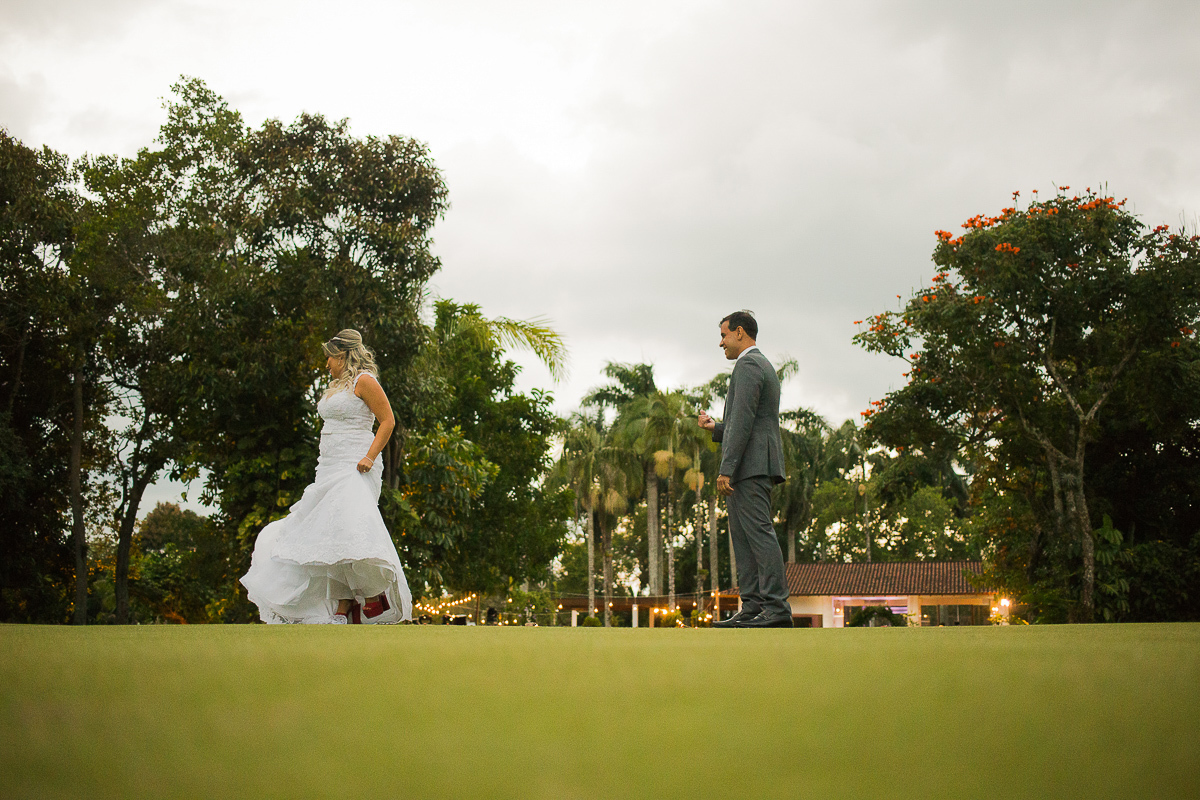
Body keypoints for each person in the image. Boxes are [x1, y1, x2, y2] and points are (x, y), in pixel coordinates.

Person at [241, 329, 412, 624]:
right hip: (330, 465)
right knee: (329, 532)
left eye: (330, 358)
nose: (327, 364)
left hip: (357, 464)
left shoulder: (365, 381)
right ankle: (346, 605)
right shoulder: (336, 386)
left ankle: (371, 594)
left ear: (343, 355)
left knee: (348, 525)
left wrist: (369, 457)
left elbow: (388, 421)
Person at [698, 311, 792, 628]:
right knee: (744, 539)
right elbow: (744, 423)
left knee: (759, 536)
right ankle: (752, 608)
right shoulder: (759, 364)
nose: (720, 342)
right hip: (751, 464)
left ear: (740, 333)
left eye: (723, 335)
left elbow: (744, 422)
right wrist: (715, 427)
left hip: (750, 466)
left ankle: (777, 610)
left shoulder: (749, 364)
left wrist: (726, 469)